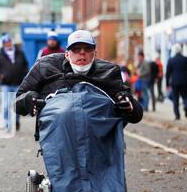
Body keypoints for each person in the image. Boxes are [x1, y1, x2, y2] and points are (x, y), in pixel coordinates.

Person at [15, 30, 143, 124]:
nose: (82, 53)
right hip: (57, 139)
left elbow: (136, 115)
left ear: (95, 53)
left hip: (99, 140)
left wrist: (129, 105)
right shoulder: (44, 66)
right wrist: (29, 99)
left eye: (87, 49)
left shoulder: (109, 71)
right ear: (67, 54)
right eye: (76, 49)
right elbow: (17, 103)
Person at [0, 33, 28, 132]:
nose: (8, 44)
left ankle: (16, 121)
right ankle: (7, 124)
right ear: (3, 44)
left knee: (16, 105)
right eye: (6, 42)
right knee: (5, 105)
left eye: (9, 42)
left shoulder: (20, 53)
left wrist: (25, 77)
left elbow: (25, 66)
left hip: (18, 84)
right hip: (5, 84)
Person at [166, 43, 187, 120]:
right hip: (184, 81)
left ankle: (177, 115)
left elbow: (168, 73)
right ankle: (186, 106)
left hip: (174, 82)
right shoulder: (185, 59)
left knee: (175, 99)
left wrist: (167, 84)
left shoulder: (171, 60)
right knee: (185, 96)